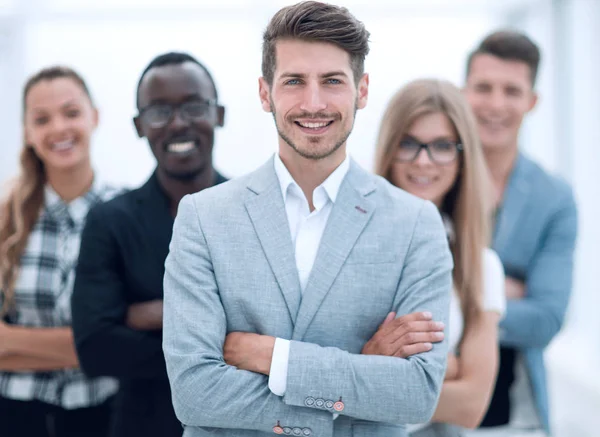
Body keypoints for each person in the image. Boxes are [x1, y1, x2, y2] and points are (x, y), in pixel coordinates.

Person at [162, 2, 454, 437]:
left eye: (332, 81)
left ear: (362, 90)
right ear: (266, 93)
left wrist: (274, 357)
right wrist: (359, 379)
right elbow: (194, 392)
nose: (313, 103)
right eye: (295, 81)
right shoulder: (203, 217)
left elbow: (415, 394)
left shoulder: (415, 224)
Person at [71, 52, 227, 437]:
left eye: (193, 106)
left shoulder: (257, 213)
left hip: (236, 426)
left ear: (219, 115)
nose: (178, 124)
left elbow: (279, 331)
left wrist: (153, 313)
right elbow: (95, 346)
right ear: (140, 125)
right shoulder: (110, 221)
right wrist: (225, 343)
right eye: (159, 112)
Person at [373, 79, 506, 437]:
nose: (423, 161)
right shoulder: (352, 246)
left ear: (463, 157)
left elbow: (470, 405)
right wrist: (445, 368)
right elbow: (320, 371)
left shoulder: (482, 265)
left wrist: (365, 371)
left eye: (442, 146)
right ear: (389, 149)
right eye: (408, 144)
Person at [462, 31, 578, 437]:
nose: (496, 104)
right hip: (433, 414)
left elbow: (546, 318)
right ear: (464, 93)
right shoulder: (431, 177)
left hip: (515, 416)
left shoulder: (554, 197)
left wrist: (458, 294)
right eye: (484, 88)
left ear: (532, 102)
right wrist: (503, 289)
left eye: (511, 91)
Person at [0, 66, 120, 437]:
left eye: (71, 113)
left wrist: (15, 346)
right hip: (14, 416)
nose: (58, 128)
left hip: (104, 415)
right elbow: (109, 344)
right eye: (41, 119)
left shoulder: (125, 214)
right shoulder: (5, 217)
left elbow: (133, 343)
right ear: (27, 132)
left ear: (94, 117)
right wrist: (92, 346)